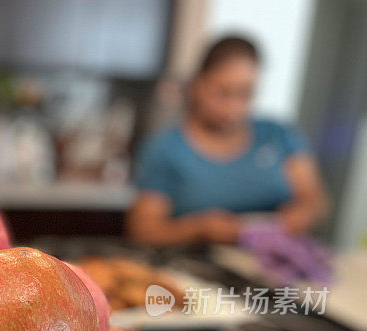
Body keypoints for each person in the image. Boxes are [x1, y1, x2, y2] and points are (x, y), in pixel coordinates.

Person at [127, 36, 329, 247]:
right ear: (198, 84)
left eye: (245, 94)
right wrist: (199, 228)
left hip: (279, 266)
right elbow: (143, 230)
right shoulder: (164, 148)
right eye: (223, 93)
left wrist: (302, 215)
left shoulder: (278, 135)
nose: (233, 108)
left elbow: (315, 200)